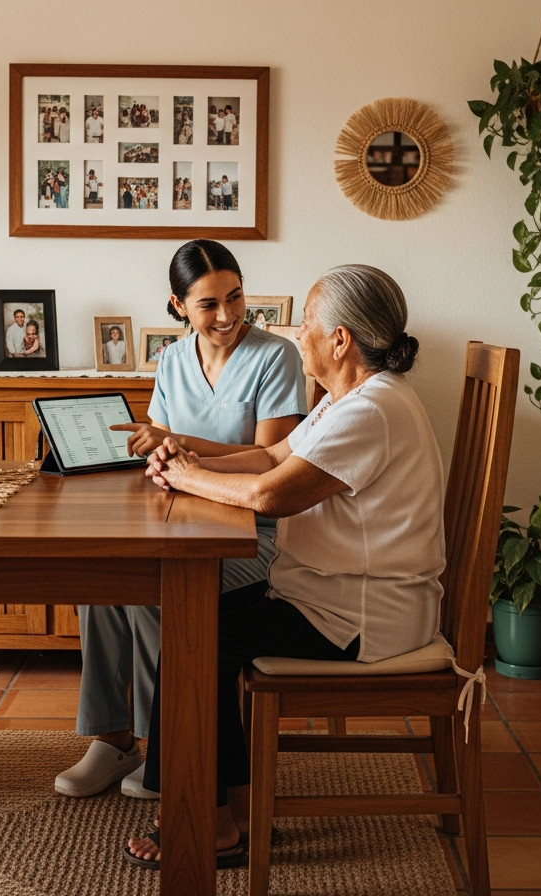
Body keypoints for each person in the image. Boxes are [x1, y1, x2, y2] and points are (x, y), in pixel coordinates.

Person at [123, 264, 442, 870]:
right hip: (332, 599)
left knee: (197, 638)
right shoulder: (351, 398)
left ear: (341, 339)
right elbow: (270, 455)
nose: (299, 336)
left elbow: (273, 495)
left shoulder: (368, 410)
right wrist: (188, 453)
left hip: (360, 617)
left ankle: (205, 818)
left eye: (310, 326)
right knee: (194, 626)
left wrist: (186, 476)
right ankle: (229, 808)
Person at [54, 240, 307, 806]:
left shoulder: (276, 357)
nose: (226, 315)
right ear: (177, 306)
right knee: (102, 583)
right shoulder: (170, 360)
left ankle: (165, 749)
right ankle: (113, 740)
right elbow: (163, 458)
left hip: (253, 535)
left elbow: (274, 457)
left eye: (235, 297)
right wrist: (157, 453)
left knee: (151, 590)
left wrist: (180, 445)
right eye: (207, 305)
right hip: (177, 520)